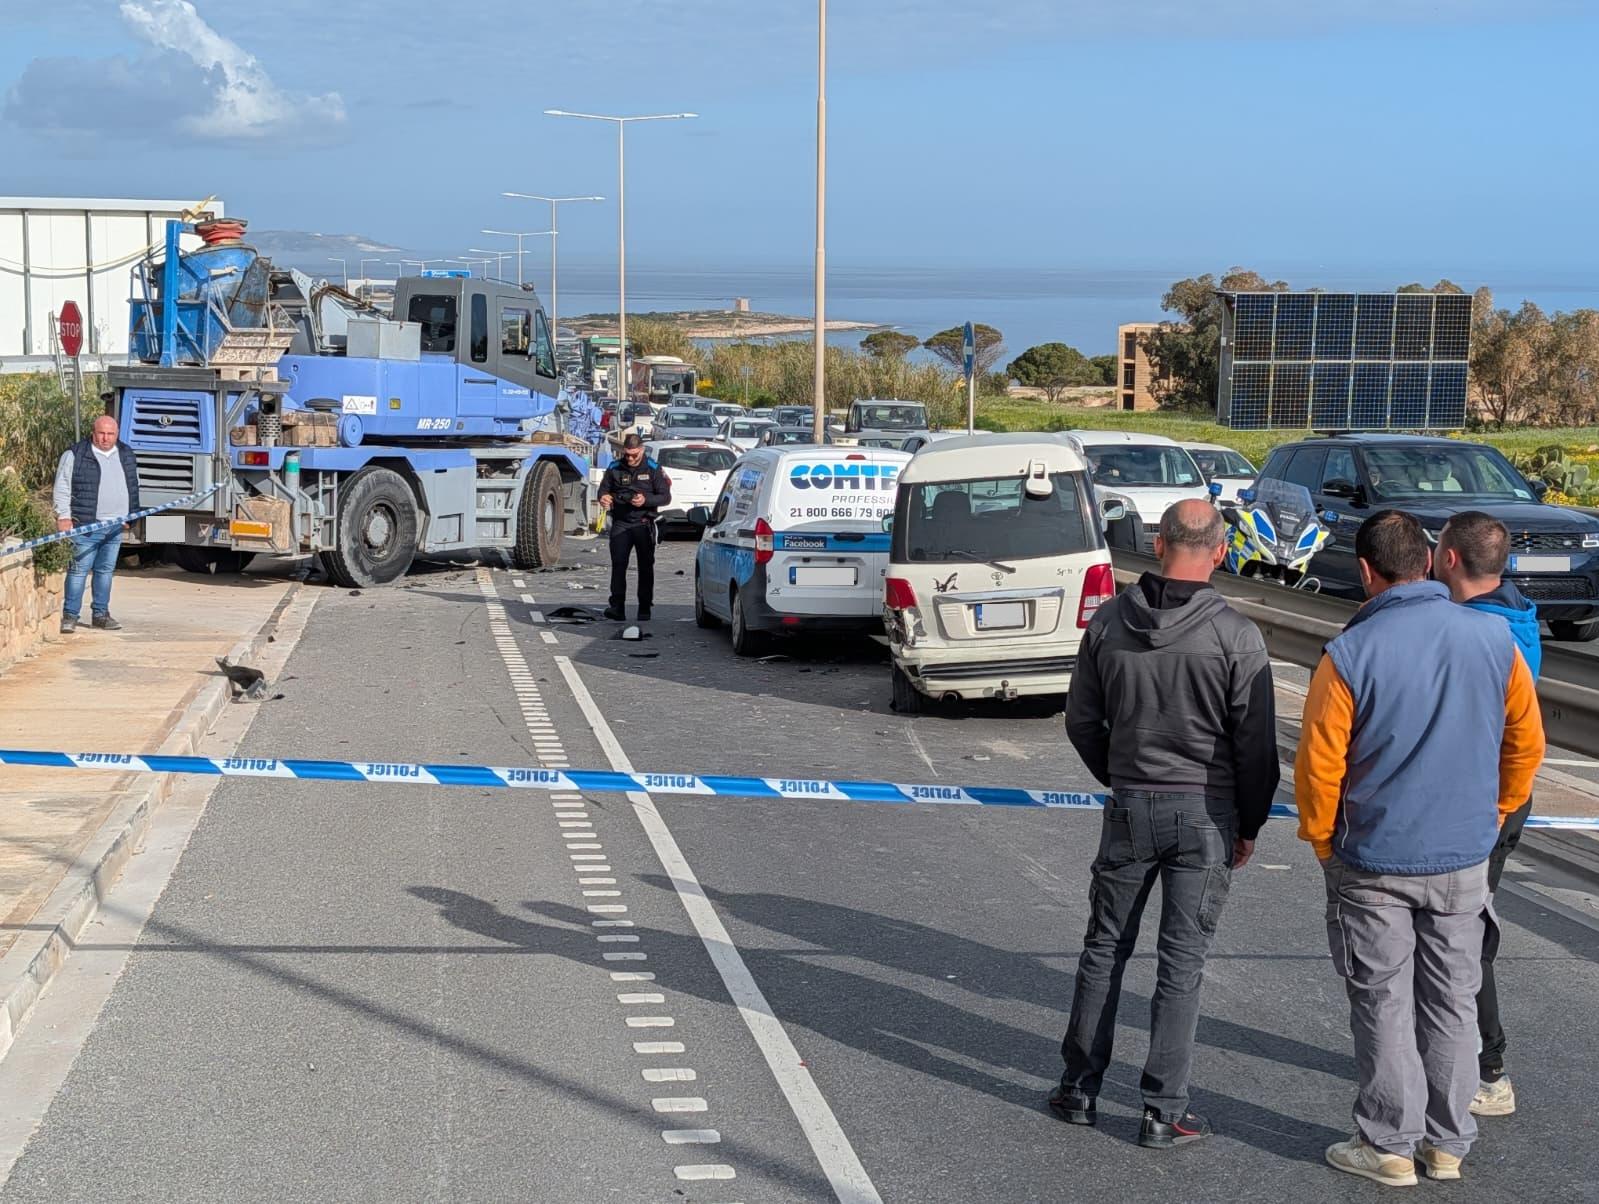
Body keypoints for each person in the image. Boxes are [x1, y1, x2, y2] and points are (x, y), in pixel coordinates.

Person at [1297, 510, 1543, 1187]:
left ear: (1367, 572)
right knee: (1452, 999)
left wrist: (1322, 841)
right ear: (1429, 561)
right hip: (1463, 856)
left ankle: (1387, 1145)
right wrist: (1490, 814)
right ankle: (1446, 1145)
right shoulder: (1496, 639)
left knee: (1381, 1000)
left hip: (1372, 858)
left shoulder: (1347, 653)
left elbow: (1319, 766)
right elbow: (1526, 745)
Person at [1052, 499, 1280, 1148]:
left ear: (1156, 544)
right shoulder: (1235, 636)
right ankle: (1161, 1111)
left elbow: (1079, 721)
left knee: (1103, 949)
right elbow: (1255, 748)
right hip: (1204, 815)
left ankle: (1077, 1090)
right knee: (1181, 964)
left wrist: (1118, 776)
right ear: (1217, 552)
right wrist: (1249, 824)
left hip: (1130, 803)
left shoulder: (1106, 623)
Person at [1433, 510, 1541, 1119]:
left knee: (1467, 936)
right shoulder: (1512, 617)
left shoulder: (1479, 631)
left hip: (1485, 799)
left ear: (1450, 559)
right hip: (1500, 796)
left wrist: (1493, 812)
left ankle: (1489, 1069)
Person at [52, 414, 139, 634]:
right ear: (93, 432)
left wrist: (131, 516)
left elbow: (133, 485)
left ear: (117, 434)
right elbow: (62, 487)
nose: (106, 438)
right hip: (86, 526)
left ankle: (101, 614)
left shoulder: (126, 454)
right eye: (101, 433)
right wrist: (63, 516)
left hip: (115, 526)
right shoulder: (75, 454)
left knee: (105, 571)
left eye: (110, 434)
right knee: (79, 571)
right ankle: (70, 615)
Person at [597, 433, 670, 622]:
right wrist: (603, 498)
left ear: (642, 450)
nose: (630, 458)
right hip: (621, 522)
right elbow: (603, 490)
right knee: (619, 565)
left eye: (634, 455)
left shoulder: (653, 468)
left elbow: (665, 496)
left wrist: (646, 500)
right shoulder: (615, 467)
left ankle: (644, 607)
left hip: (644, 523)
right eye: (627, 454)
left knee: (645, 567)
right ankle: (617, 607)